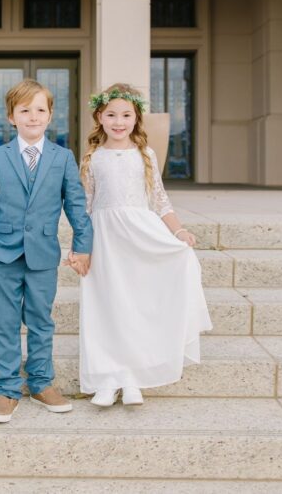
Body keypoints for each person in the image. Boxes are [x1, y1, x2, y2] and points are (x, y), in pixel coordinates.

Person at [73, 83, 213, 406]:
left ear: (136, 118)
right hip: (105, 239)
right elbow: (86, 206)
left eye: (126, 115)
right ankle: (107, 378)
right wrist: (81, 246)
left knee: (134, 306)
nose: (119, 122)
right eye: (111, 115)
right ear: (99, 117)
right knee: (106, 306)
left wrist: (178, 232)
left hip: (139, 237)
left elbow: (160, 201)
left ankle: (133, 376)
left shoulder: (145, 155)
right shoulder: (93, 157)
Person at [0, 79, 93, 424]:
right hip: (2, 254)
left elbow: (76, 205)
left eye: (40, 110)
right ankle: (8, 389)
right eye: (24, 110)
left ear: (50, 115)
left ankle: (42, 383)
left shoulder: (62, 157)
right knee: (5, 322)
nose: (33, 116)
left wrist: (82, 246)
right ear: (11, 117)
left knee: (42, 320)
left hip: (42, 253)